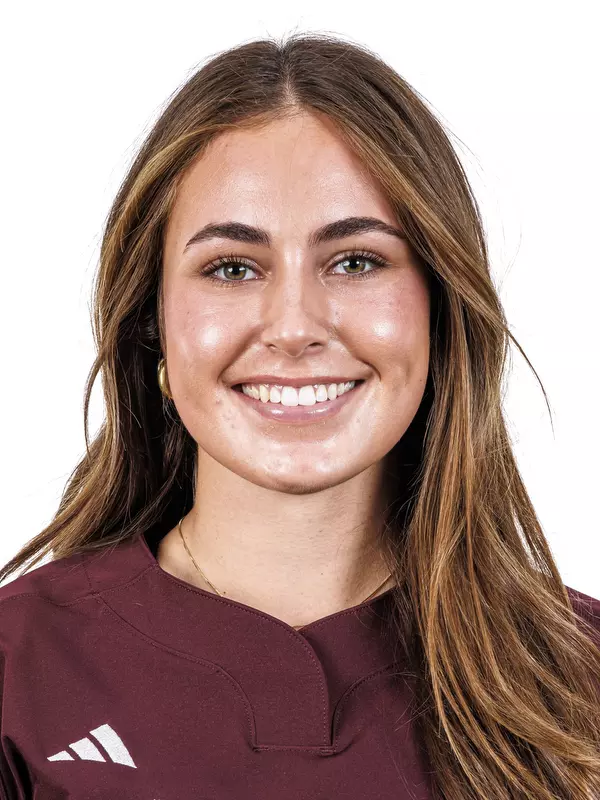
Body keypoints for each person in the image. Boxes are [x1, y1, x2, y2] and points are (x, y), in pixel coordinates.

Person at [1, 33, 599, 800]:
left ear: (438, 308)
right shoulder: (20, 676)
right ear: (152, 318)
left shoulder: (578, 681)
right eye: (232, 268)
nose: (293, 326)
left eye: (355, 262)